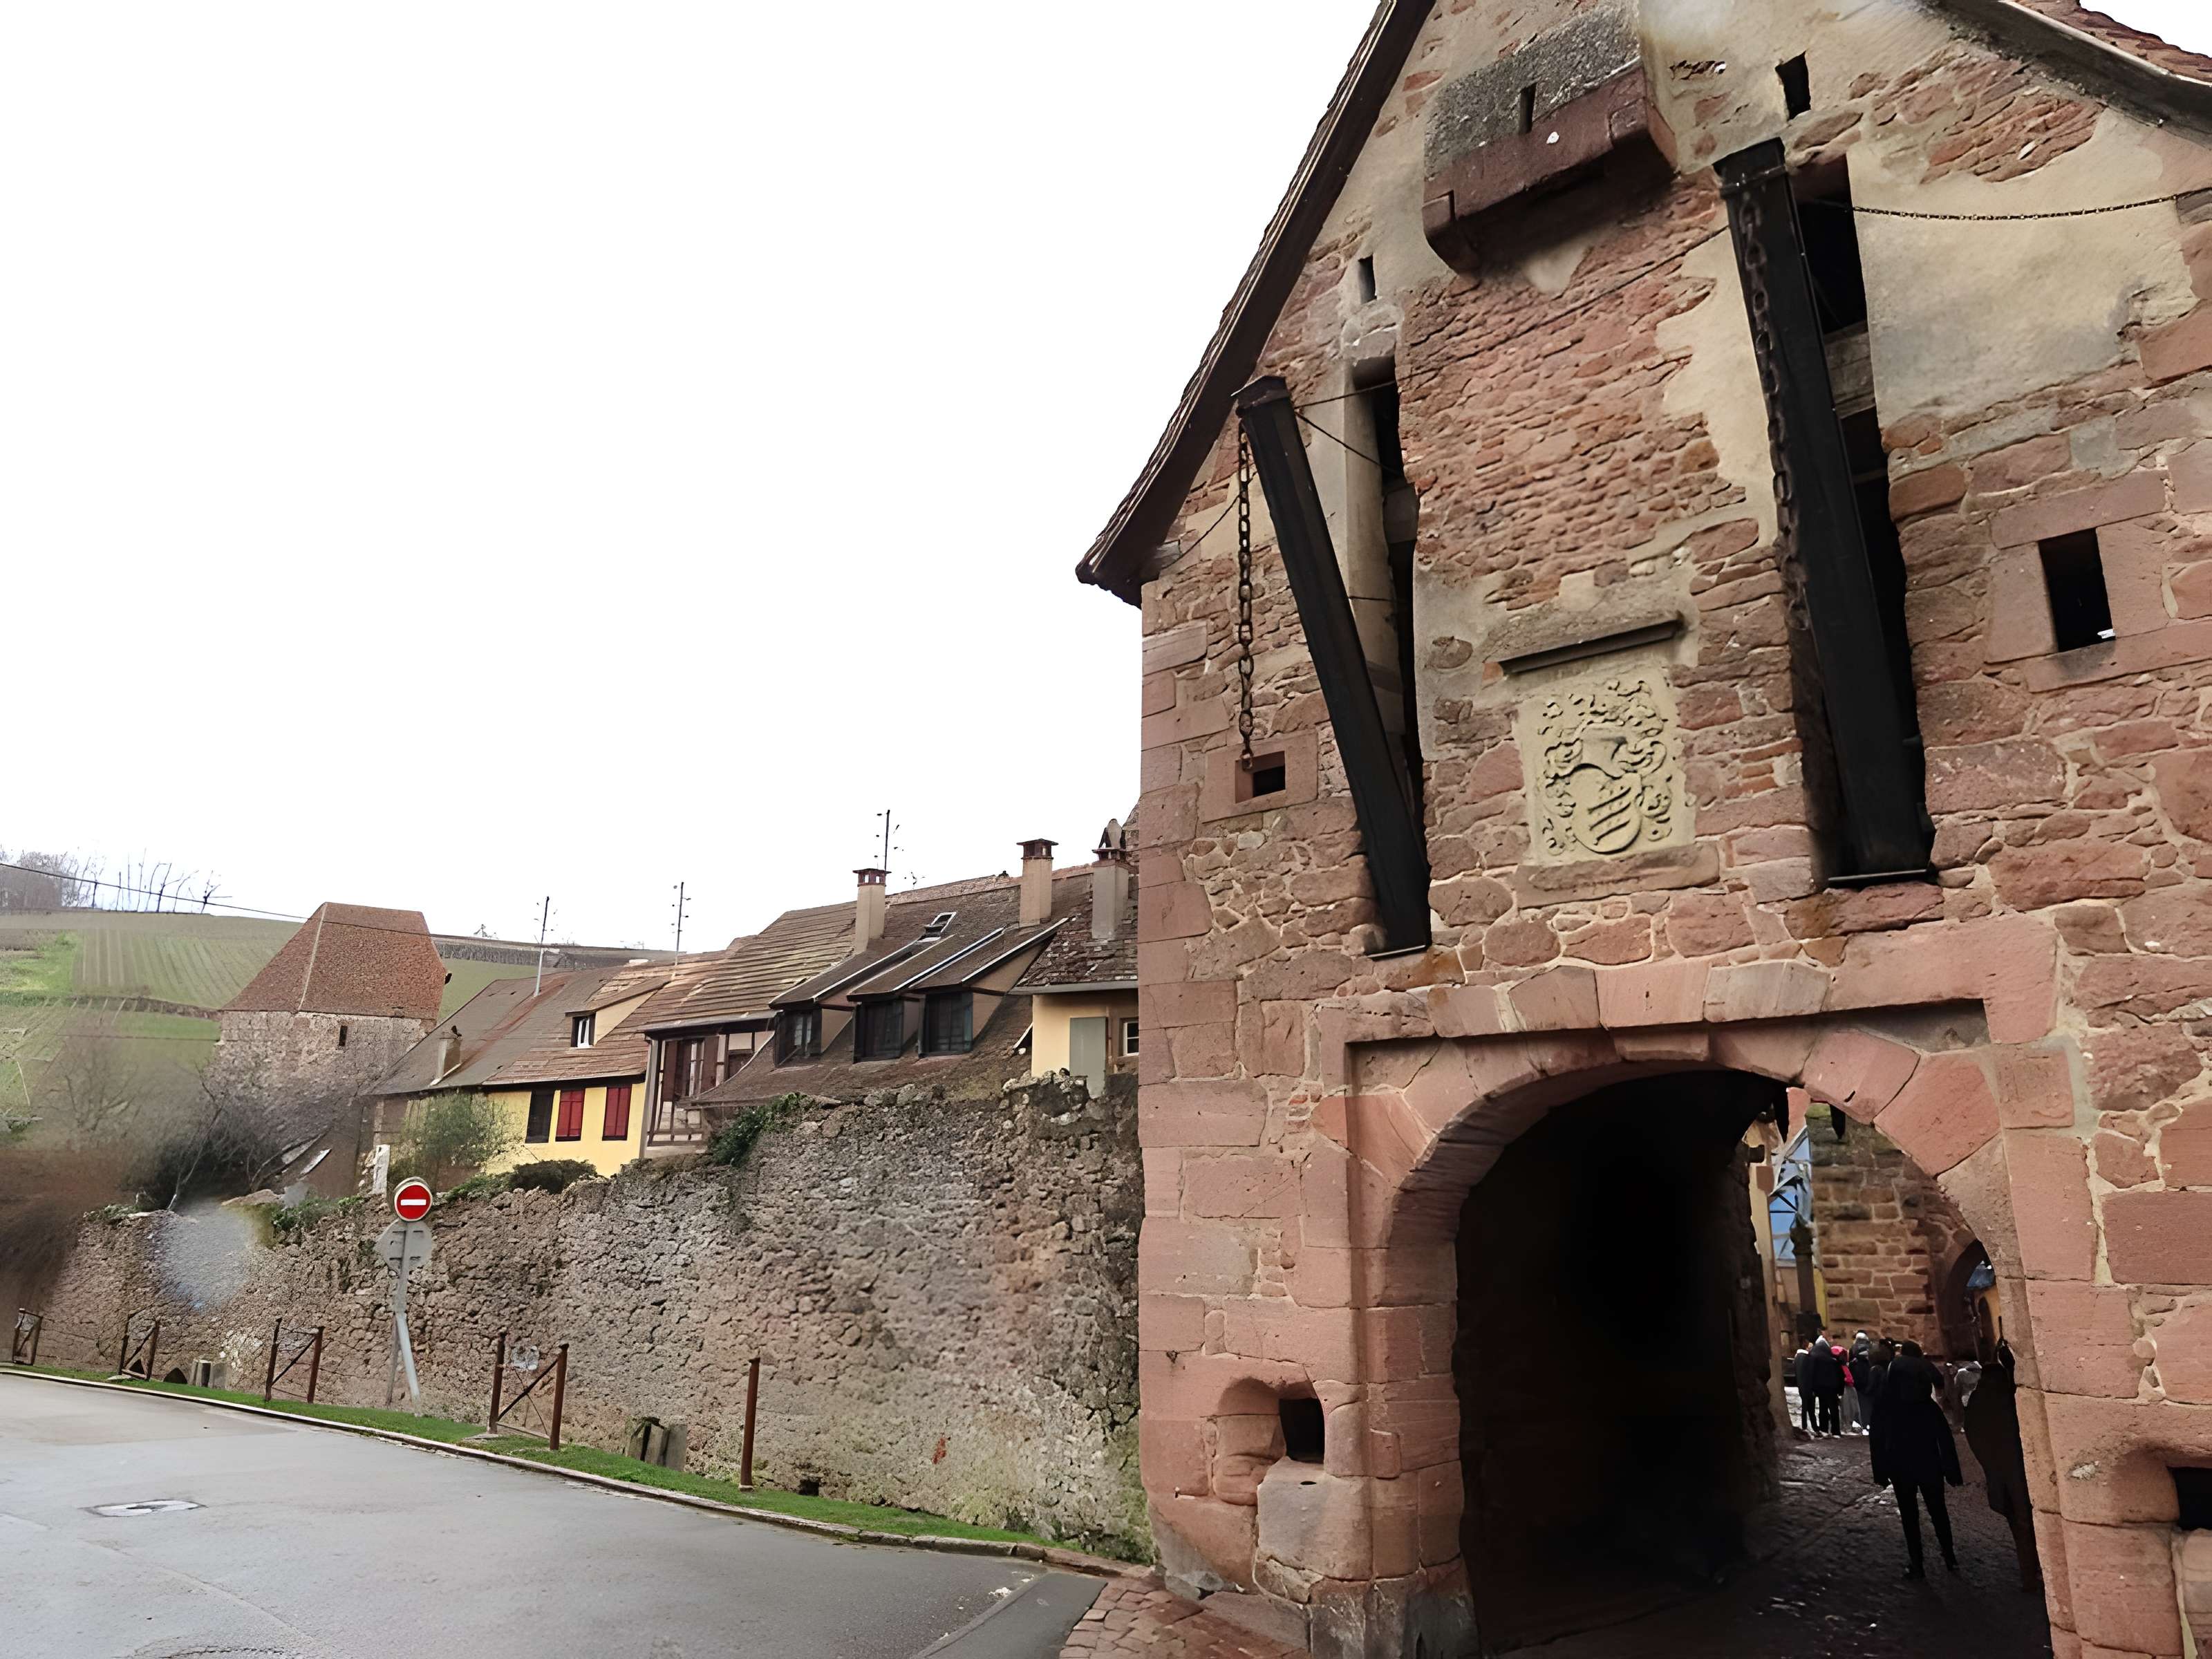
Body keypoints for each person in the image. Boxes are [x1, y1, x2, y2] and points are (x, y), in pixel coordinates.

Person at [1871, 1339, 1964, 1577]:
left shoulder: (1887, 1405)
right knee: (1938, 1511)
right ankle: (1949, 1556)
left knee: (1910, 1516)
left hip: (1901, 1467)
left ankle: (1917, 1563)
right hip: (1929, 1464)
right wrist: (1952, 1470)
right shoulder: (1927, 1407)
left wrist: (1880, 1471)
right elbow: (1945, 1440)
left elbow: (1878, 1439)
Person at [1963, 1339, 2044, 1593]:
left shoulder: (1979, 1402)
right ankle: (2036, 1572)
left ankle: (2028, 1574)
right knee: (2029, 1524)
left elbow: (1973, 1435)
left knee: (2018, 1526)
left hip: (1999, 1474)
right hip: (2022, 1474)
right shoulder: (2010, 1400)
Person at [1802, 1327, 1842, 1435]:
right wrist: (1840, 1388)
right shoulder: (1831, 1357)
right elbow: (1838, 1373)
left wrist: (1812, 1387)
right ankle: (1835, 1431)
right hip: (1831, 1386)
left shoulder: (1815, 1353)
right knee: (1833, 1408)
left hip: (1820, 1385)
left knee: (1823, 1407)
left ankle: (1824, 1429)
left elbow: (1811, 1372)